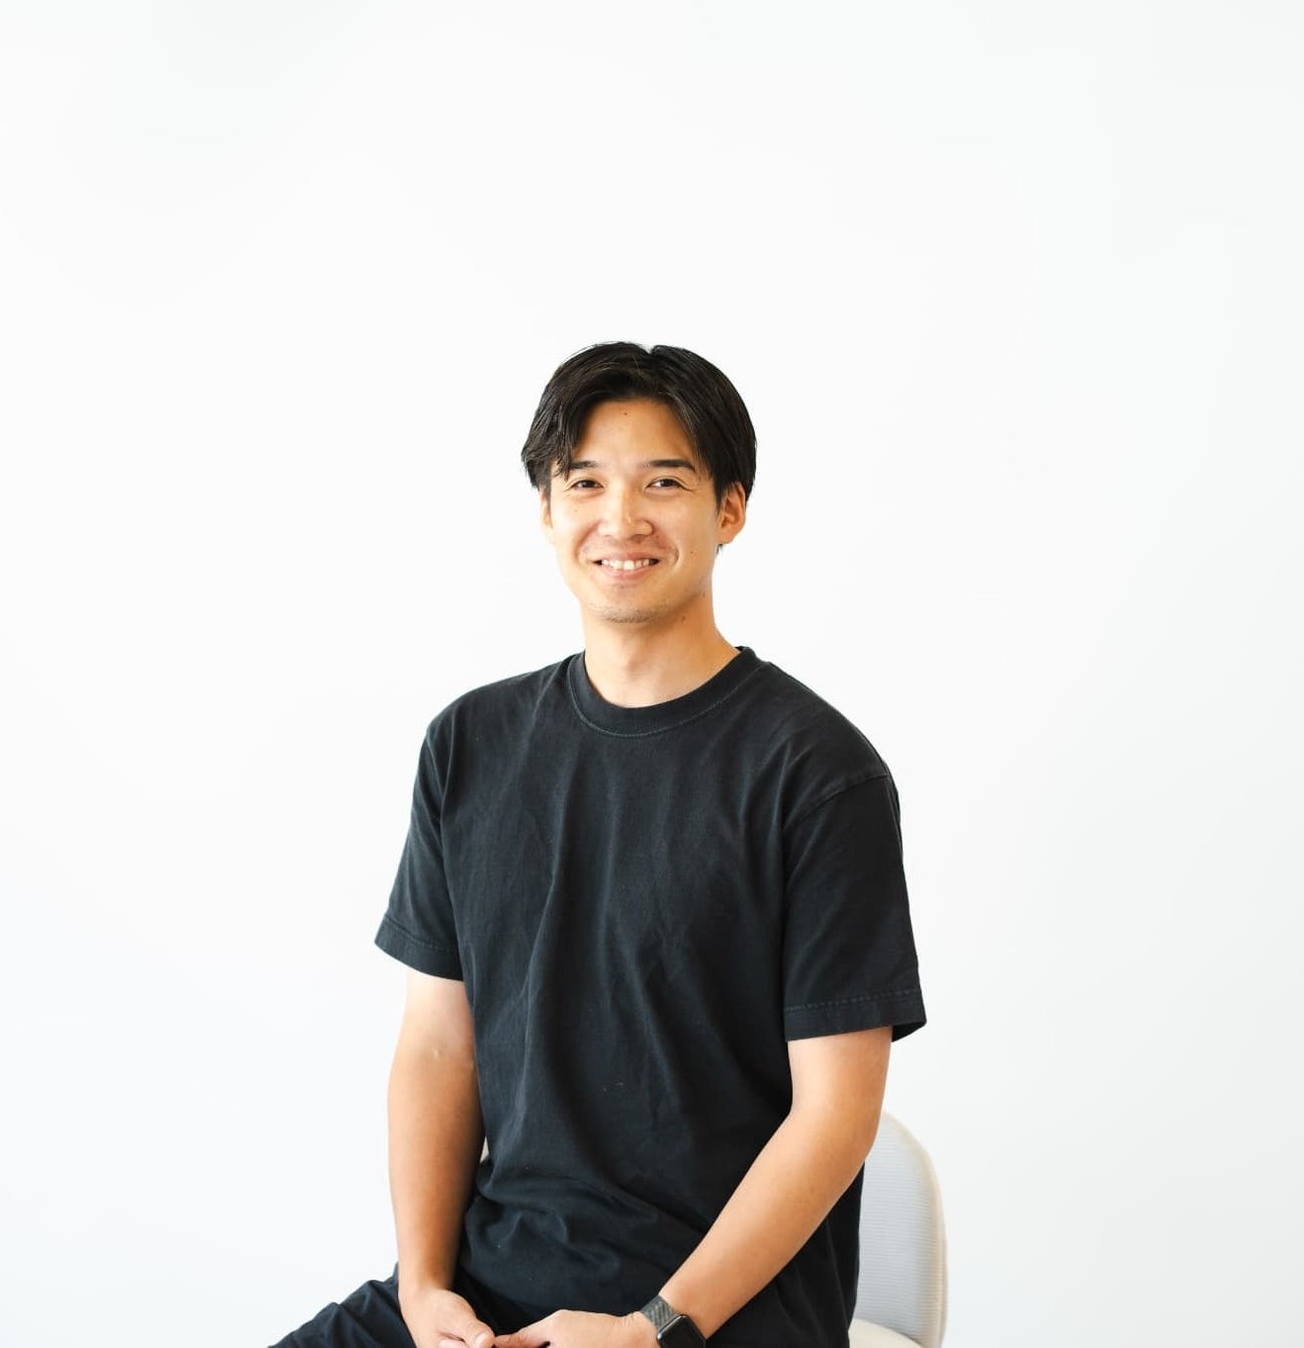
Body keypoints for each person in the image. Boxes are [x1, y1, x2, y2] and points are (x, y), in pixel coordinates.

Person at [273, 342, 925, 1348]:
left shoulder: (817, 774)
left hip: (711, 1316)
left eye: (663, 482)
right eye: (585, 483)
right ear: (546, 510)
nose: (621, 519)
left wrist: (651, 1327)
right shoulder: (470, 746)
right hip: (486, 1289)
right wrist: (425, 1292)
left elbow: (835, 1115)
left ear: (729, 510)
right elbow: (440, 1047)